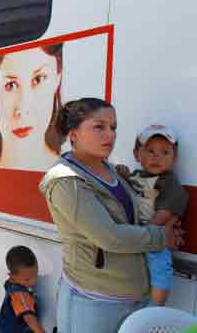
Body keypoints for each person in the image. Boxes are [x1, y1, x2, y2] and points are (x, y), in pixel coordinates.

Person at [39, 98, 183, 333]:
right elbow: (109, 236)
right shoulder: (65, 180)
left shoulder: (110, 169)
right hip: (94, 301)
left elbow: (132, 220)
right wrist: (160, 237)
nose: (110, 135)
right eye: (99, 126)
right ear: (74, 134)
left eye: (113, 127)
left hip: (133, 295)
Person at [119, 124, 188, 306]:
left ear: (174, 158)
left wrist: (140, 234)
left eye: (165, 152)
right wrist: (123, 176)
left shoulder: (169, 182)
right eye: (150, 151)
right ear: (136, 154)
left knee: (160, 269)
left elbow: (163, 214)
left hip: (156, 237)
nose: (157, 157)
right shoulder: (136, 176)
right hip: (138, 236)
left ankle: (156, 306)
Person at [0, 44, 65, 171]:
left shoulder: (70, 176)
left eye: (38, 79)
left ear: (57, 79)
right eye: (11, 85)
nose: (23, 109)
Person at [0, 246, 45, 333]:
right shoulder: (19, 293)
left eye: (35, 275)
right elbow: (29, 318)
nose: (33, 281)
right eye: (27, 279)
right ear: (12, 276)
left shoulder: (12, 284)